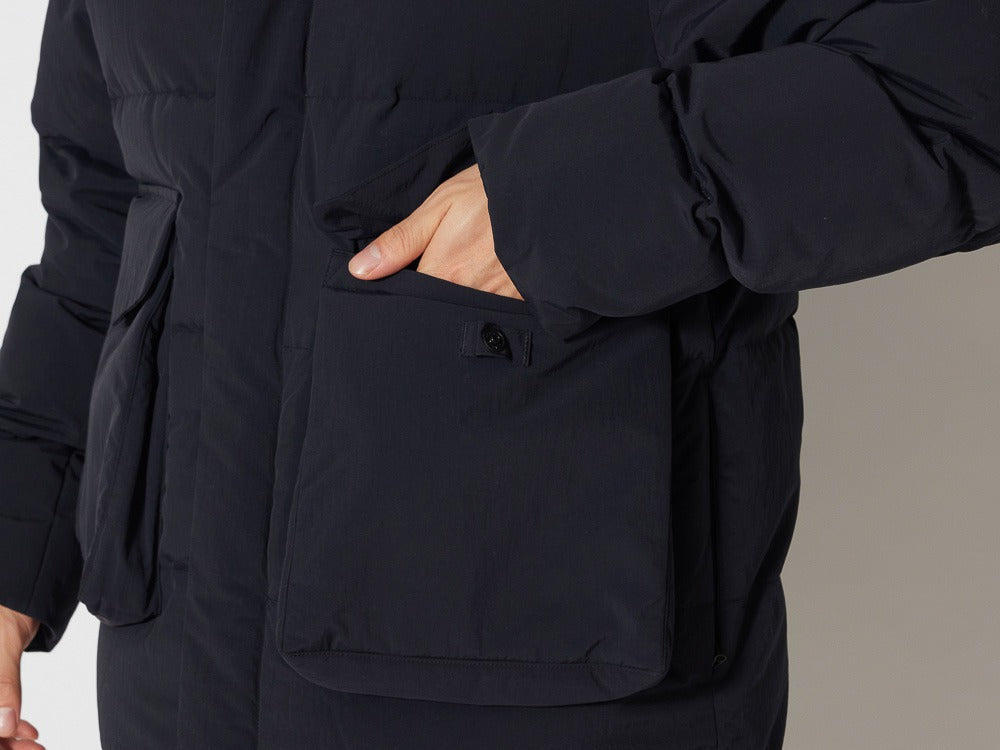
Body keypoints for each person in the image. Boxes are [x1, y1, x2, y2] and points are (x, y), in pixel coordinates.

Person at [0, 1, 997, 748]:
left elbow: (958, 84)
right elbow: (107, 224)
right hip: (176, 692)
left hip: (551, 685)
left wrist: (561, 201)